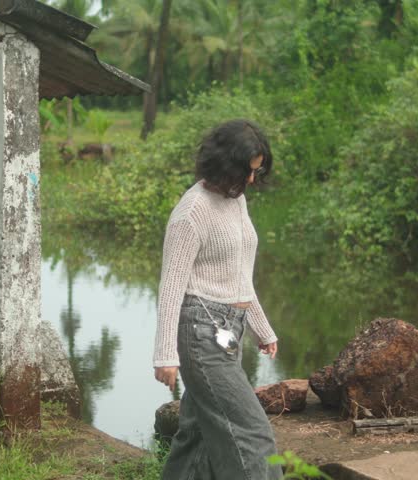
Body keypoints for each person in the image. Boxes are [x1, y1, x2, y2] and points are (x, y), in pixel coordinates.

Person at [153, 119, 282, 479]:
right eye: (248, 171)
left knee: (196, 437)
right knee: (253, 435)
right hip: (201, 334)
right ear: (226, 164)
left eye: (257, 172)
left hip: (228, 332)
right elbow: (171, 286)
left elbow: (238, 275)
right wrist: (165, 354)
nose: (252, 180)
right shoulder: (192, 212)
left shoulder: (235, 200)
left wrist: (261, 328)